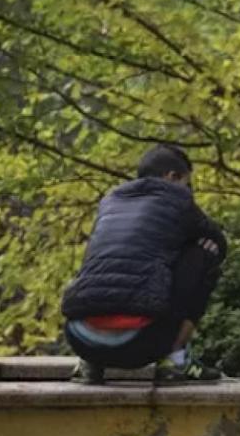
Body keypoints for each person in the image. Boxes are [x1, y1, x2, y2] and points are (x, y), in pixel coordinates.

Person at [62, 144, 226, 385]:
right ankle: (175, 361)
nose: (190, 191)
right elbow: (219, 242)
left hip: (80, 338)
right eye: (188, 184)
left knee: (105, 258)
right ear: (172, 177)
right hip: (141, 342)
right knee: (204, 252)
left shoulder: (110, 201)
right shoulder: (177, 198)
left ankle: (89, 366)